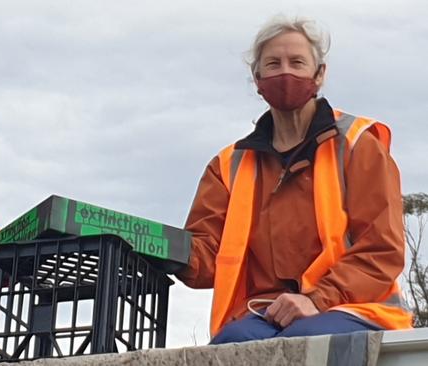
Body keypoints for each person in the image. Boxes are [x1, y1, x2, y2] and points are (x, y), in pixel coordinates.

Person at [176, 16, 413, 344]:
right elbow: (205, 256)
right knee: (228, 346)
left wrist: (317, 300)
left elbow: (382, 249)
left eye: (297, 62)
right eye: (273, 64)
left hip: (355, 307)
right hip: (264, 314)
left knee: (304, 341)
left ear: (320, 74)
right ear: (257, 79)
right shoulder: (228, 164)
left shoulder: (359, 145)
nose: (285, 72)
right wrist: (156, 246)